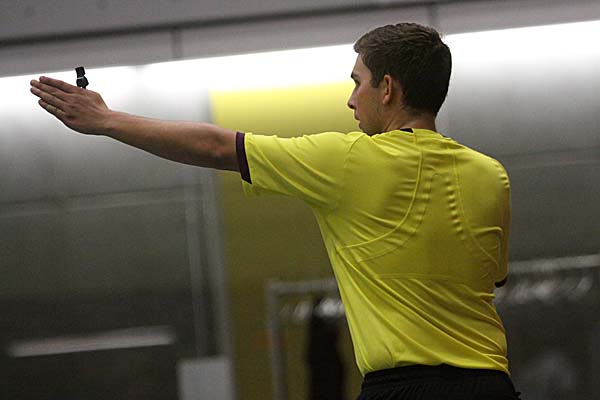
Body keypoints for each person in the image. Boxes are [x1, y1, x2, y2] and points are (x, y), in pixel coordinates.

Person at [30, 22, 520, 400]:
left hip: (405, 390)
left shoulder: (350, 160)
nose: (351, 100)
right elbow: (491, 279)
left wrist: (107, 119)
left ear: (388, 89)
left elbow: (217, 146)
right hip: (493, 387)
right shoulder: (490, 175)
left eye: (358, 83)